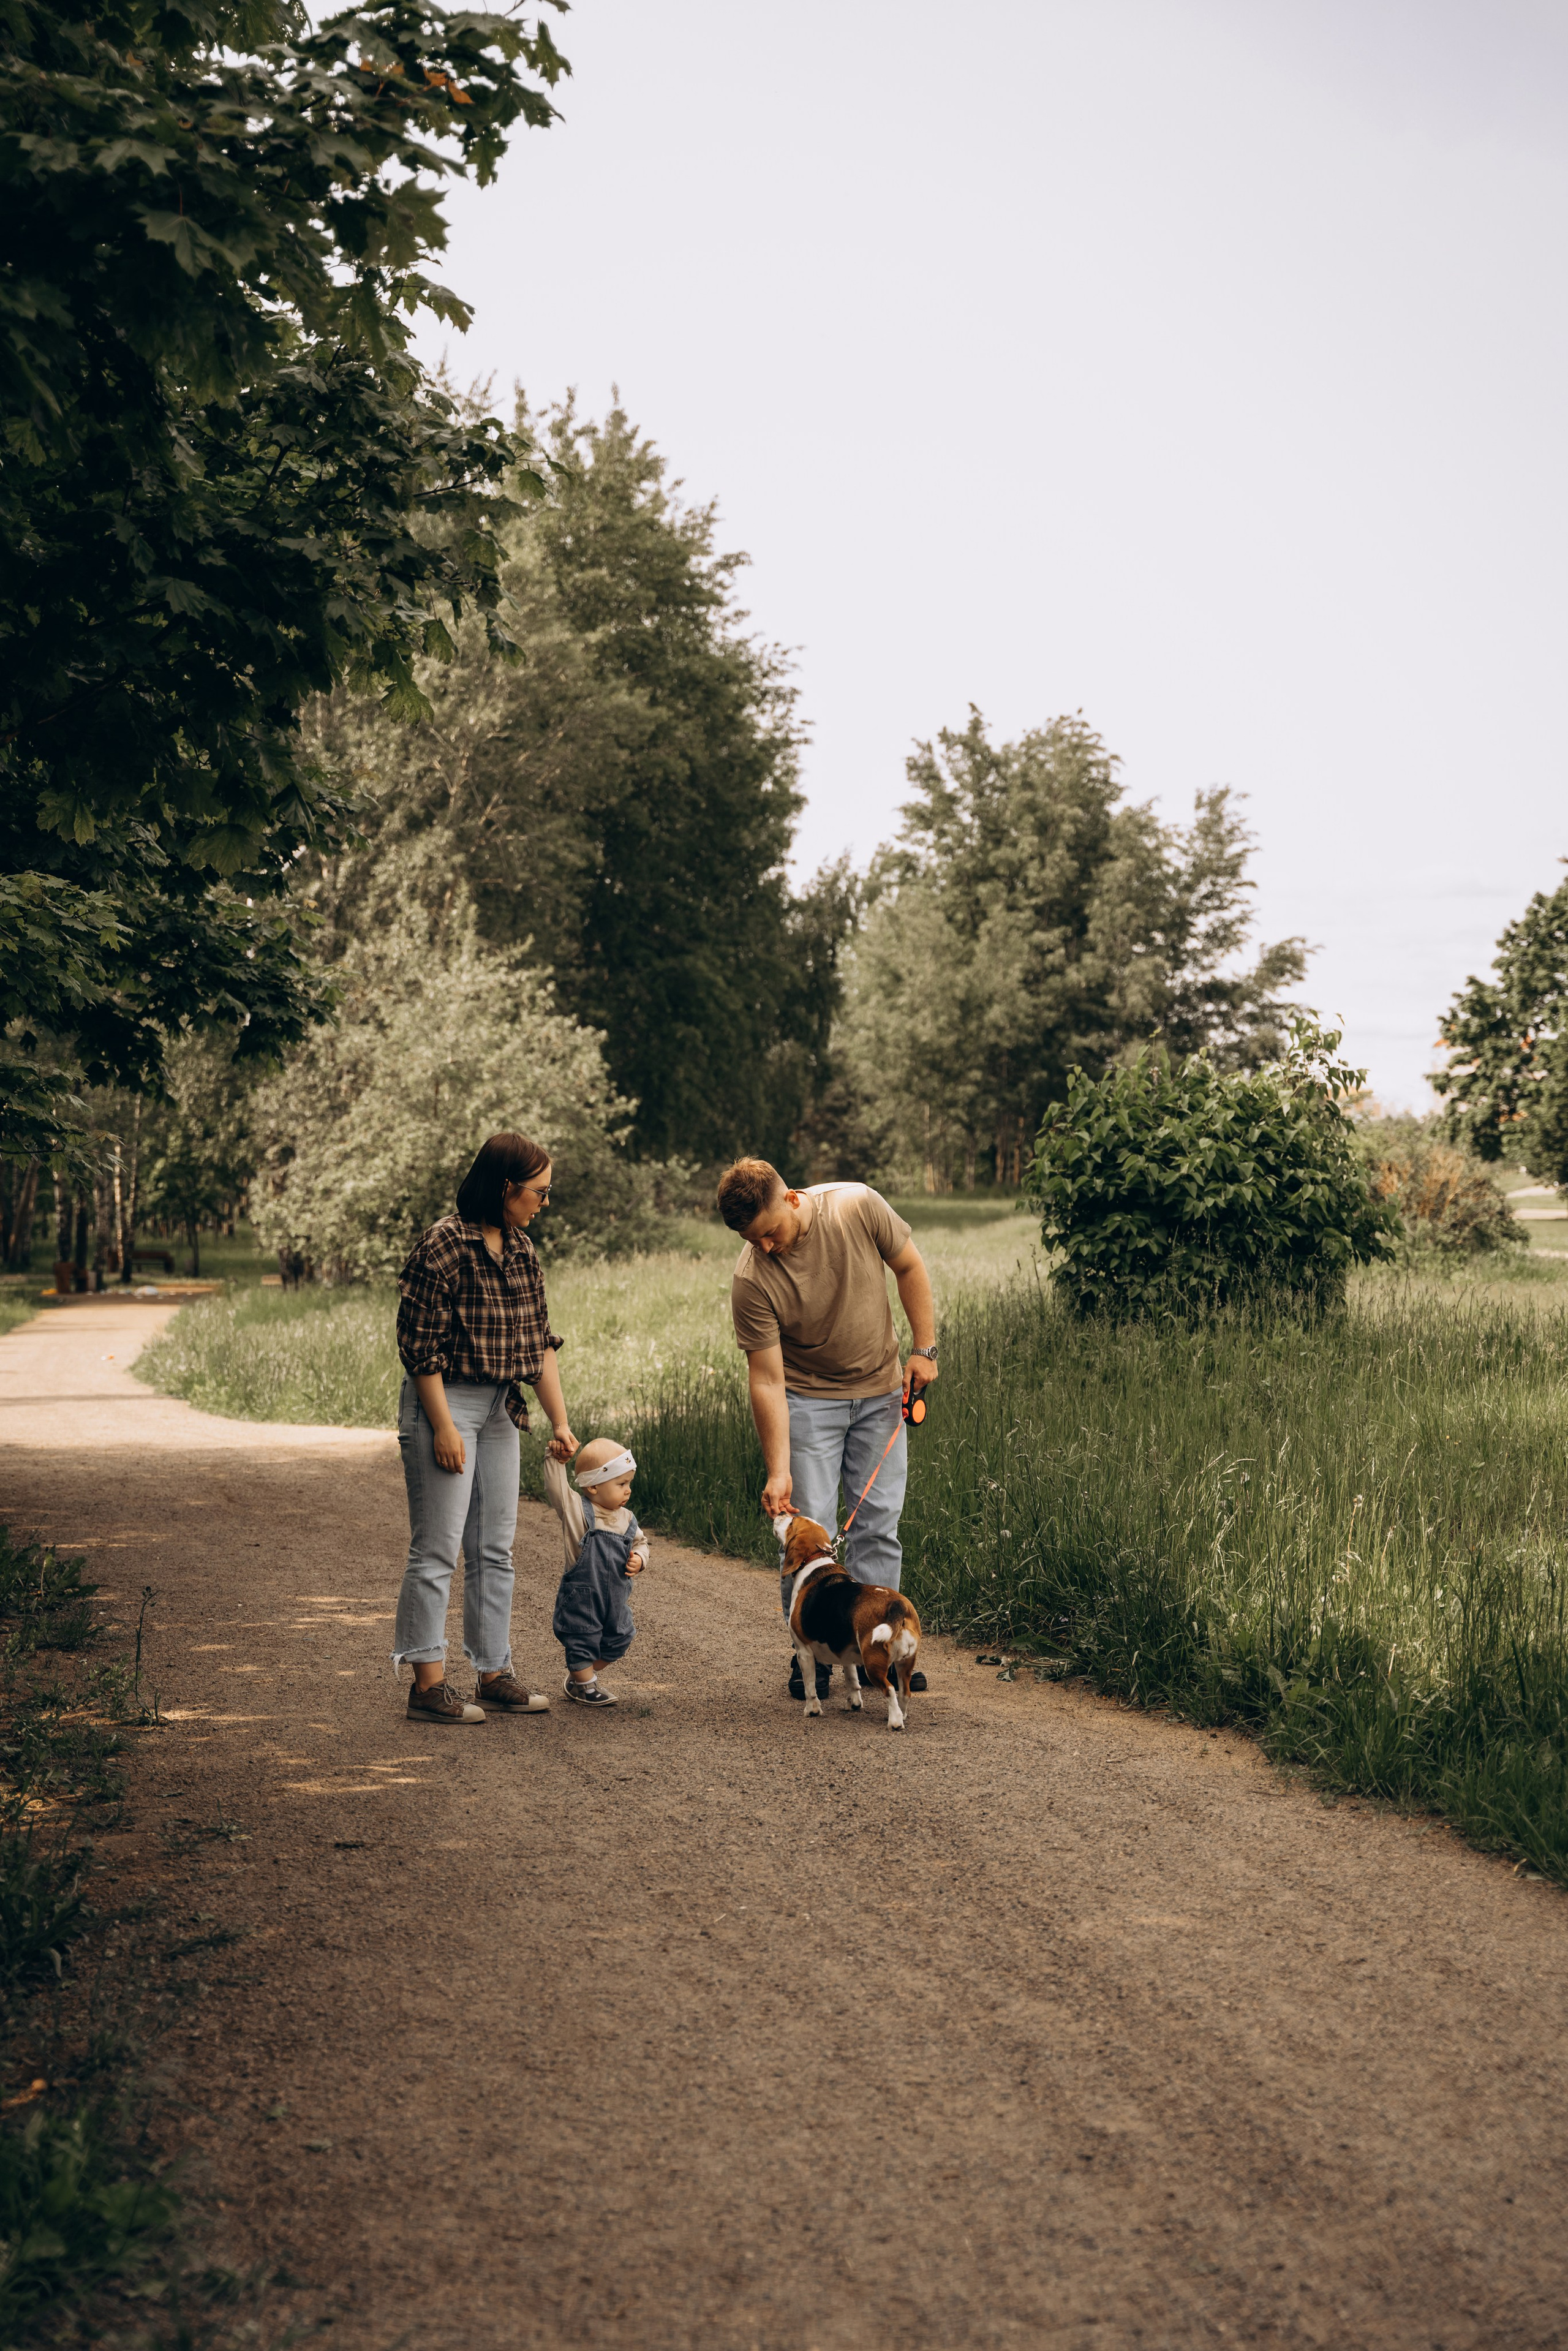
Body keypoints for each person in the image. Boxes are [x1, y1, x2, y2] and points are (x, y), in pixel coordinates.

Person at [718, 1158, 937, 1700]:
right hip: (807, 1402)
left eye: (769, 1232)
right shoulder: (751, 1279)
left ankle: (878, 1651)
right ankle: (811, 1651)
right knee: (806, 1535)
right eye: (754, 1240)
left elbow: (909, 1267)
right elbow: (766, 1381)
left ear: (791, 1199)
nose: (765, 1247)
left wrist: (924, 1348)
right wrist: (777, 1471)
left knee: (878, 1526)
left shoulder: (857, 1206)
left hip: (883, 1394)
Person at [393, 1131, 578, 1724]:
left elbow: (540, 1345)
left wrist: (561, 1420)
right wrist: (444, 1427)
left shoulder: (522, 1251)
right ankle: (428, 1686)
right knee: (437, 1549)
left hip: (502, 1409)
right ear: (505, 1187)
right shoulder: (444, 1244)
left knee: (494, 1548)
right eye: (538, 1193)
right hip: (443, 1404)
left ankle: (493, 1671)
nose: (543, 1204)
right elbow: (419, 1348)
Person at [543, 1438, 650, 1707]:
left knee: (620, 1638)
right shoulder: (578, 1511)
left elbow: (641, 1542)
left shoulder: (627, 1519)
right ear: (593, 1486)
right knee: (582, 1638)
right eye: (621, 1484)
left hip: (615, 1598)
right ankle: (585, 1684)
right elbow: (557, 1489)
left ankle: (581, 1675)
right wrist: (555, 1459)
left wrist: (639, 1557)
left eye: (629, 1484)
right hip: (583, 1597)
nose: (628, 1491)